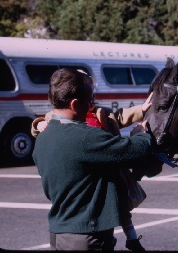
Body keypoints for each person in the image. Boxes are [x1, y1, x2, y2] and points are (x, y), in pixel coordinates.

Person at [32, 68, 160, 251]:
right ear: (75, 104)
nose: (92, 103)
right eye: (89, 98)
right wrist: (141, 134)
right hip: (87, 237)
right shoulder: (85, 137)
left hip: (59, 233)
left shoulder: (43, 138)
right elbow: (134, 151)